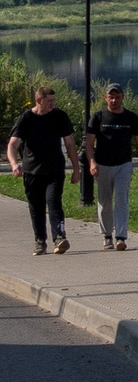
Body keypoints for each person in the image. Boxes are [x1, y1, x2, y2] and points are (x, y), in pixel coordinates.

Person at [8, 83, 73, 255]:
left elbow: (70, 143)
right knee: (36, 207)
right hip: (32, 171)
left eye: (54, 100)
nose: (53, 104)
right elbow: (13, 145)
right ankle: (40, 241)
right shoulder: (26, 119)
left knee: (53, 202)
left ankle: (59, 237)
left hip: (55, 169)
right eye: (49, 101)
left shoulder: (60, 116)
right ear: (39, 101)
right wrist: (14, 164)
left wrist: (76, 168)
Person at [85, 84, 138, 251]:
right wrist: (92, 162)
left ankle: (121, 236)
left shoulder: (131, 118)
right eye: (111, 97)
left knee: (121, 200)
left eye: (117, 97)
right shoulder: (98, 117)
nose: (114, 100)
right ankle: (107, 236)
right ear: (106, 98)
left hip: (123, 164)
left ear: (123, 97)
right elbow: (89, 144)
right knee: (104, 202)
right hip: (102, 165)